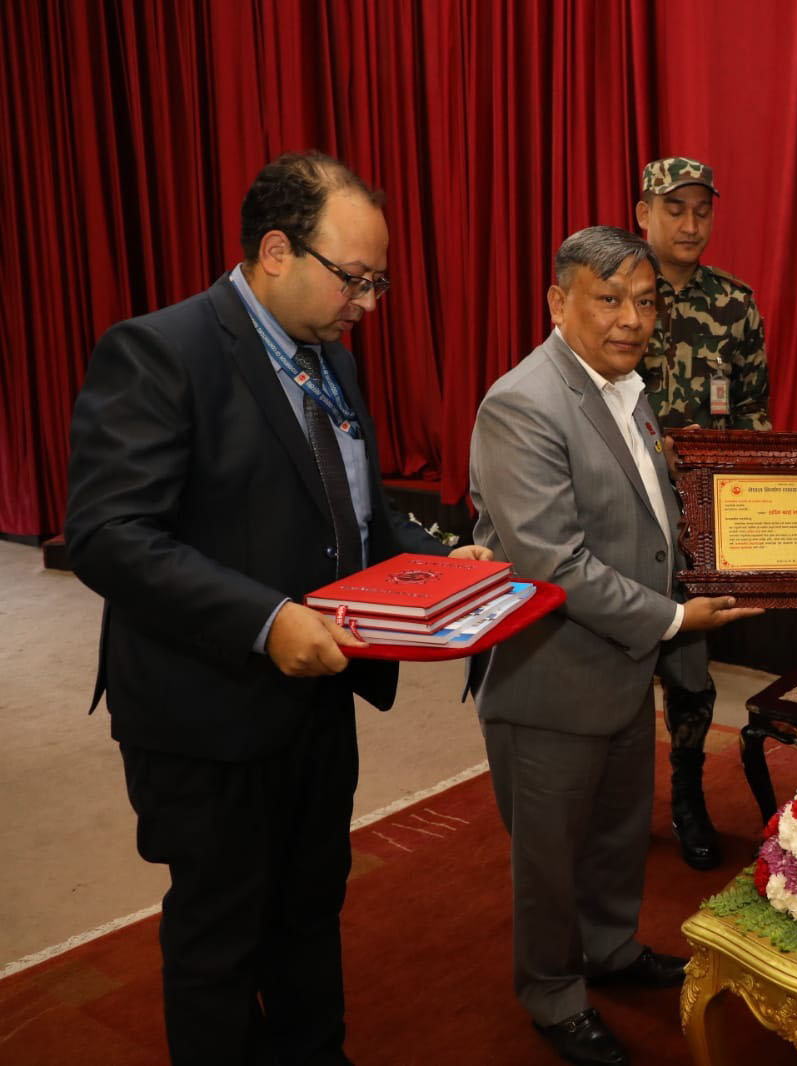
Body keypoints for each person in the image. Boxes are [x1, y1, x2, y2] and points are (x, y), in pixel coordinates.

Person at [64, 151, 491, 1065]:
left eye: (376, 283)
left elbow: (357, 513)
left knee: (309, 906)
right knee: (220, 934)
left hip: (317, 695)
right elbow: (108, 534)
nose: (366, 303)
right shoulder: (160, 351)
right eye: (354, 279)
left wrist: (438, 563)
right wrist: (265, 621)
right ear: (274, 252)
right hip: (205, 709)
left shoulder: (330, 358)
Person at [468, 225, 760, 1066]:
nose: (632, 319)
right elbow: (551, 561)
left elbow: (651, 517)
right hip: (551, 677)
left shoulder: (627, 388)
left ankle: (608, 949)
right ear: (558, 303)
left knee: (615, 832)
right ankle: (553, 994)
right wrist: (673, 620)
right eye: (608, 300)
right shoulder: (523, 402)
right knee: (550, 857)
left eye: (644, 300)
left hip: (624, 669)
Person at [634, 155, 770, 869]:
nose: (690, 223)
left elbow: (751, 413)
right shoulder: (619, 292)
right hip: (624, 507)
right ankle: (618, 798)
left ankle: (686, 793)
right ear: (643, 214)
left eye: (701, 210)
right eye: (674, 208)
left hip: (700, 515)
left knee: (689, 669)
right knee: (619, 658)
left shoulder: (734, 304)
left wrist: (746, 509)